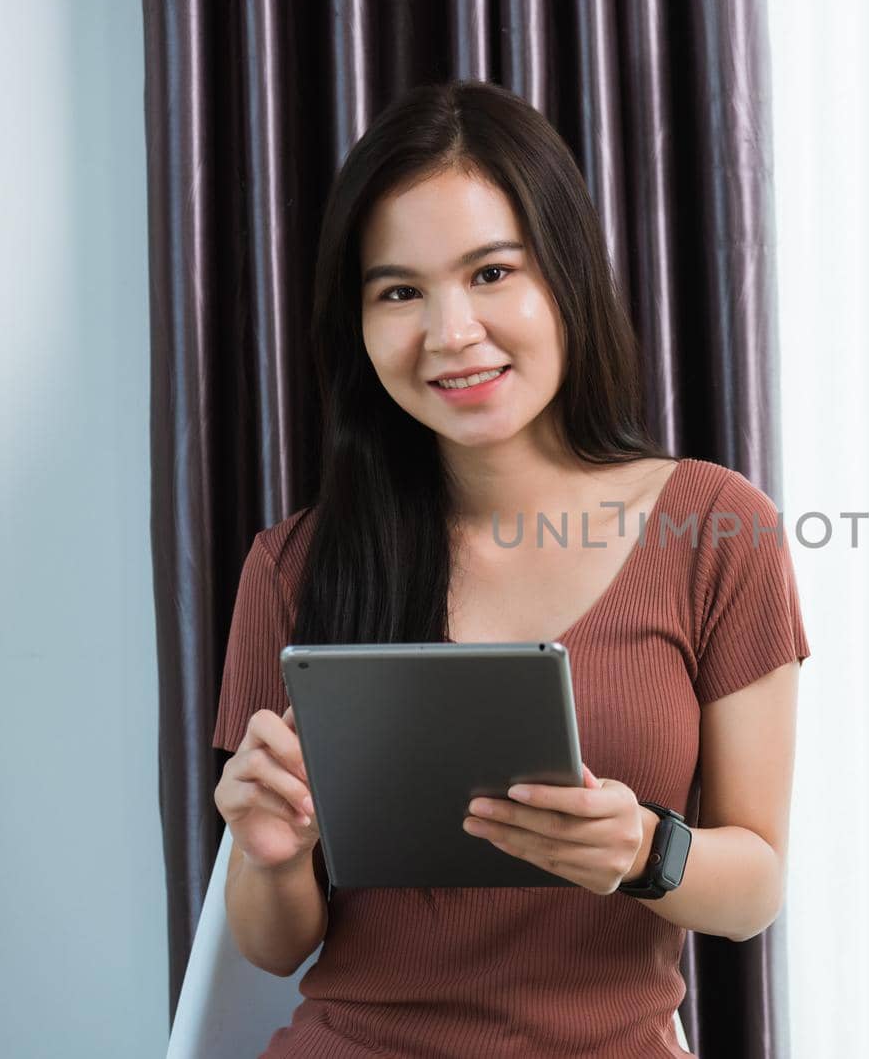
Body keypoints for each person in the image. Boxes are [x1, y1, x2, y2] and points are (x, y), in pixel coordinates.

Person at [210, 79, 810, 1057]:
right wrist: (273, 860)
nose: (450, 333)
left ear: (563, 276)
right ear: (357, 325)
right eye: (399, 291)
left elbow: (753, 891)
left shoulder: (715, 527)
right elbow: (273, 947)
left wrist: (643, 850)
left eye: (491, 273)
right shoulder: (292, 568)